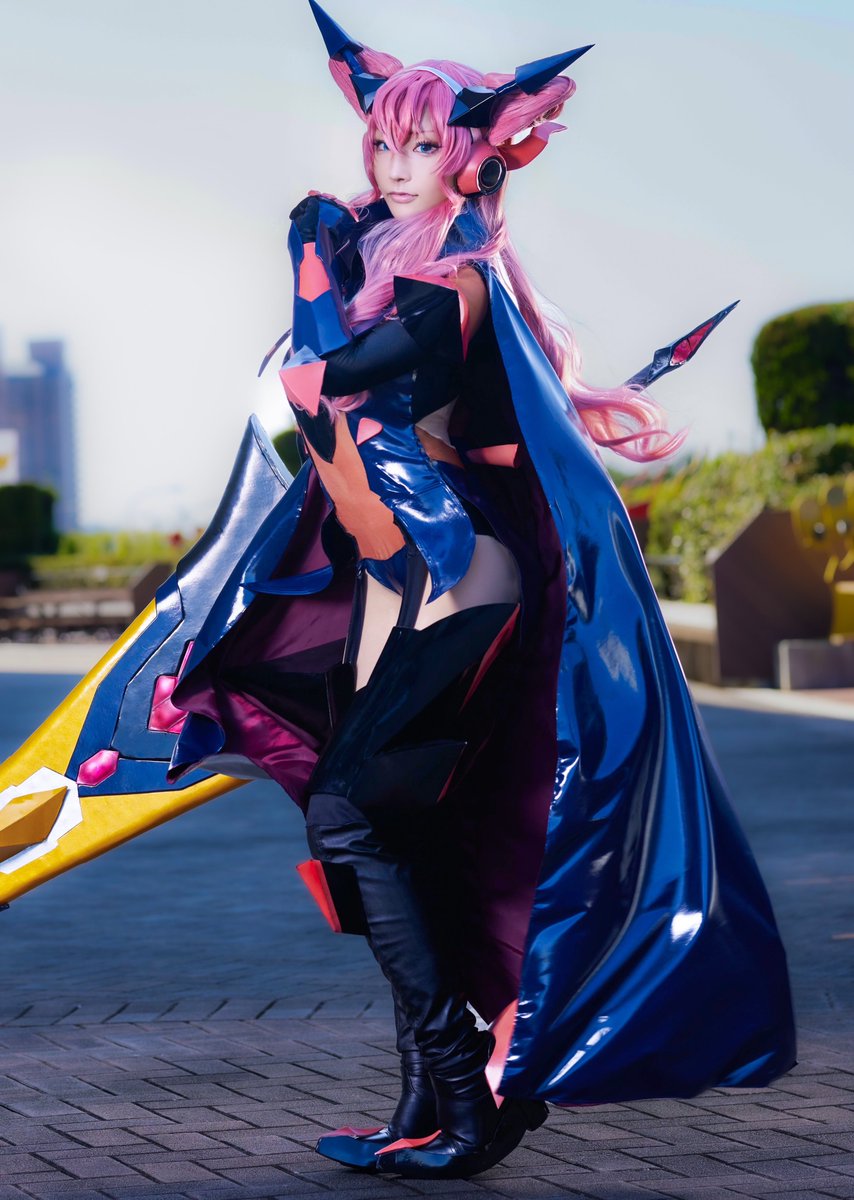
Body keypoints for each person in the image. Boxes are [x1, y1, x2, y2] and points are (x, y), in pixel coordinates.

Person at [0, 0, 796, 1185]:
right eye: (381, 142)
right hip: (389, 587)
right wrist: (326, 257)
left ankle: (464, 1095)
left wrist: (307, 261)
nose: (392, 164)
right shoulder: (388, 272)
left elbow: (328, 375)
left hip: (455, 580)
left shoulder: (454, 285)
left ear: (467, 156)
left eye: (420, 145)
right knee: (399, 841)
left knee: (348, 815)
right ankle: (430, 1102)